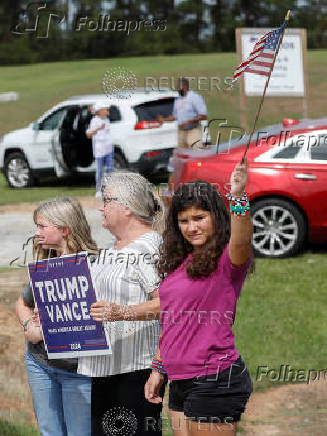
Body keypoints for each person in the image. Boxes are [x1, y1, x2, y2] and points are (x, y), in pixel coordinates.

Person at [145, 160, 253, 436]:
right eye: (184, 220)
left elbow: (241, 240)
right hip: (180, 380)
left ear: (216, 216)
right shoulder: (181, 263)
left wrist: (239, 197)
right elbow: (171, 321)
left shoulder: (228, 260)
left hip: (215, 379)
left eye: (199, 218)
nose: (191, 227)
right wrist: (159, 369)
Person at [77, 171, 166, 436]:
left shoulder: (149, 248)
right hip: (103, 366)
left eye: (106, 201)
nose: (100, 207)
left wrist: (122, 312)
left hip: (136, 370)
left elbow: (168, 304)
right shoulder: (111, 248)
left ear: (126, 207)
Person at [15, 197, 98, 436]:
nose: (36, 232)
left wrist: (48, 328)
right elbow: (22, 302)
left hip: (79, 370)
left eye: (42, 226)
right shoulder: (46, 263)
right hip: (40, 363)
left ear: (65, 229)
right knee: (49, 432)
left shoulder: (95, 265)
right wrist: (29, 325)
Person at [157, 77, 208, 148]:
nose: (178, 89)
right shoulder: (178, 99)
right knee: (183, 154)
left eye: (179, 87)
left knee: (195, 153)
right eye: (177, 87)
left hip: (193, 130)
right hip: (181, 131)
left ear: (185, 86)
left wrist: (189, 122)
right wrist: (164, 119)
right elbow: (175, 116)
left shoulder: (195, 97)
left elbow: (203, 115)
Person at [86, 103, 113, 197]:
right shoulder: (94, 121)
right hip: (99, 150)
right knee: (100, 170)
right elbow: (88, 135)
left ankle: (109, 189)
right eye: (105, 109)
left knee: (109, 169)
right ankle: (98, 190)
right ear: (100, 111)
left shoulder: (107, 120)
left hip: (109, 148)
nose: (107, 111)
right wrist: (98, 128)